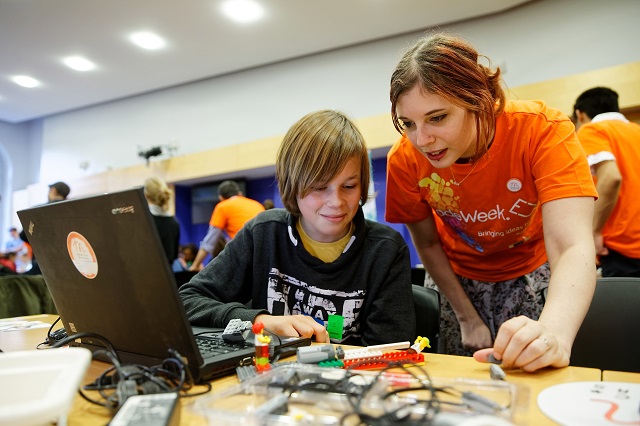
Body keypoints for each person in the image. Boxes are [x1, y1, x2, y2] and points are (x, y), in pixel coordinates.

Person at [385, 33, 597, 372]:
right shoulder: (405, 159)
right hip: (456, 281)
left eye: (437, 118)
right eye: (408, 124)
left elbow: (570, 245)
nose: (422, 140)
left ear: (478, 99)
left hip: (532, 271)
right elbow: (427, 243)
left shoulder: (542, 131)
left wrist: (554, 333)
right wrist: (466, 316)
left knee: (535, 368)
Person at [180, 110, 415, 346]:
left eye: (349, 186)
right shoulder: (263, 233)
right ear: (293, 185)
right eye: (319, 187)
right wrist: (259, 321)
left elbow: (391, 350)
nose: (336, 202)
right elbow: (187, 300)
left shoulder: (386, 249)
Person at [573, 87, 640, 277]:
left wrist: (594, 232)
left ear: (580, 114)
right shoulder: (636, 130)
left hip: (622, 247)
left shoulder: (591, 129)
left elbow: (611, 177)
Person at [189, 180, 264, 271]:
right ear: (240, 193)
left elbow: (209, 242)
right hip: (265, 252)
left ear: (221, 198)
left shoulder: (222, 206)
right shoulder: (257, 204)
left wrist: (195, 265)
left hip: (246, 254)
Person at [20, 181, 72, 275]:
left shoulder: (38, 210)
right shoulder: (72, 210)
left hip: (42, 264)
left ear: (53, 190)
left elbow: (24, 235)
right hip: (68, 265)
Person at [143, 176, 181, 266]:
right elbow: (174, 255)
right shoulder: (174, 223)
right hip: (167, 272)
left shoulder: (143, 221)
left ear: (146, 195)